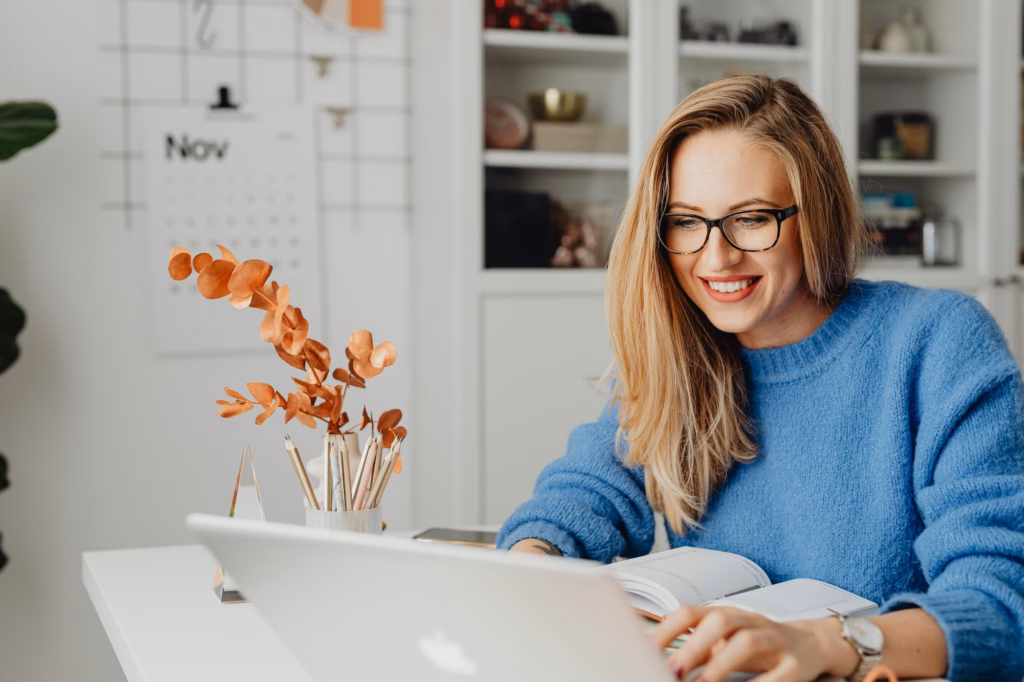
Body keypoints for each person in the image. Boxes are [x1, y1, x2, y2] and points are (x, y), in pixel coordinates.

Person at [496, 74, 1024, 682]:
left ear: (815, 215)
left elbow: (998, 607)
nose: (715, 258)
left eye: (750, 219)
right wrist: (528, 568)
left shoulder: (936, 341)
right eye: (687, 221)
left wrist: (829, 644)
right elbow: (584, 493)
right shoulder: (683, 350)